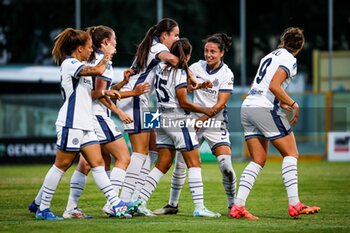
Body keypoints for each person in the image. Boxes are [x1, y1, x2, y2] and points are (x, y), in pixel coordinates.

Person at [28, 27, 129, 220]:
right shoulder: (70, 63)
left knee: (97, 164)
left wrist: (109, 91)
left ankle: (115, 204)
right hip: (71, 122)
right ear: (79, 48)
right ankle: (43, 208)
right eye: (89, 47)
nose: (91, 51)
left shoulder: (78, 64)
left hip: (84, 123)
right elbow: (98, 69)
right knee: (61, 165)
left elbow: (93, 92)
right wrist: (106, 56)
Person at [229, 27, 320, 219]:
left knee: (258, 159)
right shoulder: (289, 59)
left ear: (282, 41)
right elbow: (274, 85)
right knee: (292, 153)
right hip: (264, 108)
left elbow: (265, 86)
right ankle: (295, 204)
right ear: (301, 45)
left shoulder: (269, 56)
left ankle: (238, 206)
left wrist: (281, 102)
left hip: (249, 106)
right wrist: (294, 104)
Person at [59, 25, 149, 219]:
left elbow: (104, 89)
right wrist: (118, 112)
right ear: (106, 42)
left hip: (88, 116)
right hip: (98, 116)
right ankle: (113, 203)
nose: (116, 44)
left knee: (88, 164)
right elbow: (97, 94)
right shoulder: (103, 63)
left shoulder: (93, 60)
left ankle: (70, 206)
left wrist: (126, 86)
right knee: (125, 156)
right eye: (114, 40)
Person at [153, 33, 236, 216]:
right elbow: (186, 86)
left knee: (225, 165)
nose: (208, 54)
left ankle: (233, 205)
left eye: (213, 51)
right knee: (181, 163)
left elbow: (220, 104)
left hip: (215, 122)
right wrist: (196, 87)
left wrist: (202, 120)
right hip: (192, 120)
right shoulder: (196, 67)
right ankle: (172, 204)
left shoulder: (227, 73)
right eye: (206, 50)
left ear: (222, 53)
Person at [137, 38, 221, 218]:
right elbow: (183, 102)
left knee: (163, 163)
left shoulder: (161, 68)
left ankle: (140, 202)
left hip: (160, 117)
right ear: (188, 55)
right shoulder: (181, 72)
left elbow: (179, 90)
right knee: (195, 162)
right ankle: (199, 207)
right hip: (177, 118)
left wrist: (198, 85)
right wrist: (205, 110)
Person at [117, 18, 180, 204]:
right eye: (175, 35)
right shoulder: (158, 47)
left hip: (141, 101)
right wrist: (185, 58)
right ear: (164, 35)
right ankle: (122, 201)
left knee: (153, 149)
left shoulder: (153, 46)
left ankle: (136, 199)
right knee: (139, 153)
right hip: (134, 99)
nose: (178, 38)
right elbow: (172, 59)